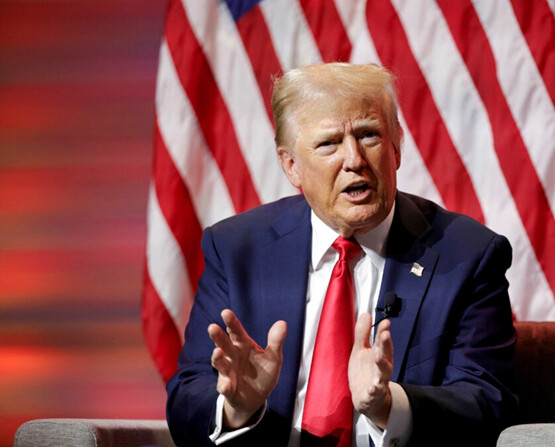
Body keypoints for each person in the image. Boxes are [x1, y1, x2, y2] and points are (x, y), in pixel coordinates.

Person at [166, 63, 518, 447]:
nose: (354, 159)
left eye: (369, 135)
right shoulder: (237, 249)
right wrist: (237, 408)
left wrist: (389, 405)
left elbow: (487, 401)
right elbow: (189, 393)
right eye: (329, 143)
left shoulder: (467, 255)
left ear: (397, 146)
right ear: (291, 165)